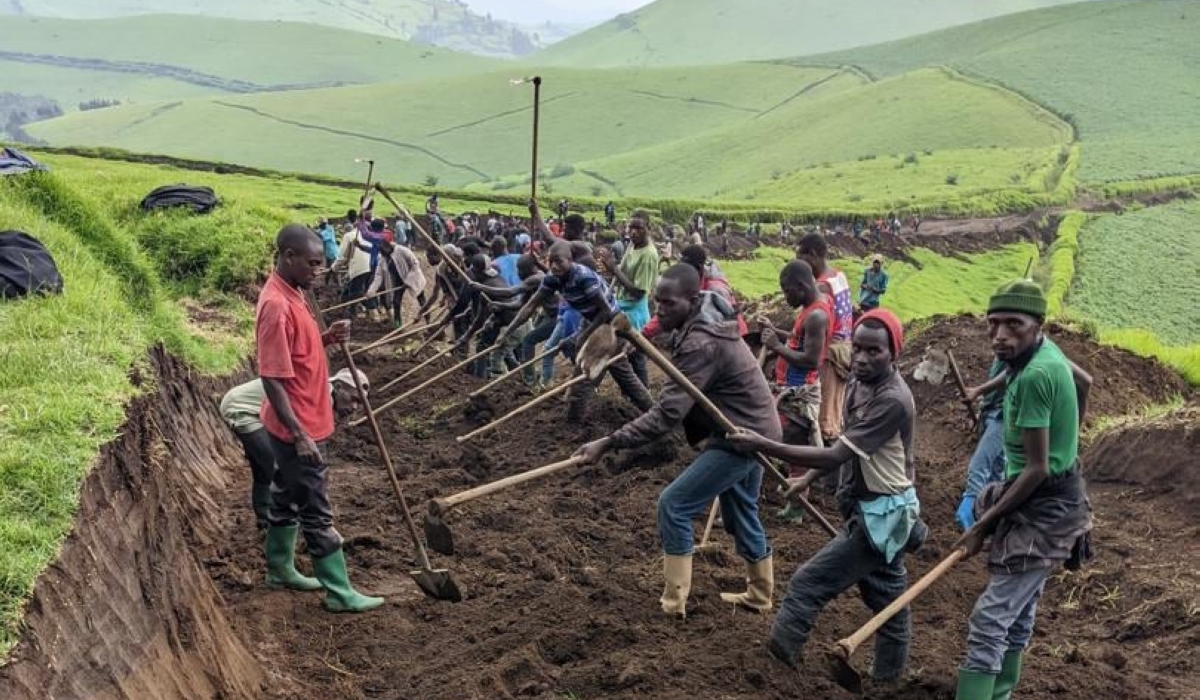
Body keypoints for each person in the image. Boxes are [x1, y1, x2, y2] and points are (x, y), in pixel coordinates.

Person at [728, 309, 924, 683]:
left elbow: (836, 454)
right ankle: (888, 681)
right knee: (888, 600)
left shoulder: (893, 400)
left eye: (875, 352)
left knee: (807, 584)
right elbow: (844, 448)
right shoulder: (857, 383)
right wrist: (807, 480)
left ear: (894, 354)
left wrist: (764, 444)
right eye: (859, 349)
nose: (863, 359)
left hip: (881, 515)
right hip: (868, 508)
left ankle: (777, 670)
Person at [575, 264, 780, 617]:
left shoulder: (702, 343)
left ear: (693, 299)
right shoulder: (701, 322)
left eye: (668, 304)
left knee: (674, 505)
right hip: (748, 428)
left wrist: (608, 442)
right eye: (657, 302)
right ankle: (760, 595)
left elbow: (667, 415)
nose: (660, 310)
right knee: (740, 513)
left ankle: (673, 604)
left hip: (743, 437)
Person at [953, 280, 1092, 700]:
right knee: (1020, 607)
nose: (1000, 336)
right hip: (1052, 490)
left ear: (1038, 324)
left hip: (1045, 504)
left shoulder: (1035, 376)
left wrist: (983, 526)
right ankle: (1000, 693)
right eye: (993, 325)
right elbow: (1084, 380)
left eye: (1013, 324)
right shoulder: (1046, 355)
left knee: (991, 617)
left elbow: (1034, 469)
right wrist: (1070, 442)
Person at [256, 224, 382, 613]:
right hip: (299, 425)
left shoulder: (294, 293)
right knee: (316, 507)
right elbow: (273, 377)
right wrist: (299, 435)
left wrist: (327, 338)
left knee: (285, 494)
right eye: (312, 263)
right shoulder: (277, 305)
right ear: (288, 257)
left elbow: (299, 353)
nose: (318, 271)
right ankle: (340, 592)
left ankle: (280, 569)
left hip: (303, 419)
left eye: (321, 264)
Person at [497, 241, 652, 420]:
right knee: (618, 374)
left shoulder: (583, 277)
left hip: (610, 325)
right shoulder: (552, 278)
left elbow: (605, 311)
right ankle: (651, 411)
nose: (554, 266)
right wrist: (508, 331)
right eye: (551, 261)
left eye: (559, 262)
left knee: (588, 375)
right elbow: (531, 306)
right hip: (591, 321)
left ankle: (575, 420)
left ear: (570, 260)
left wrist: (583, 336)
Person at [957, 349, 1092, 530]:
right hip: (995, 412)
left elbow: (1084, 382)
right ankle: (991, 517)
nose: (999, 334)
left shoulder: (1042, 361)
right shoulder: (1014, 349)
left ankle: (974, 513)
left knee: (983, 460)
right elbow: (1009, 373)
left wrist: (1070, 434)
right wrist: (981, 395)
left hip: (1008, 416)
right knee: (999, 466)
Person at [219, 369, 369, 530]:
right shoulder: (319, 394)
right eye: (353, 399)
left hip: (254, 408)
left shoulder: (325, 393)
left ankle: (265, 519)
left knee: (264, 467)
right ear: (338, 387)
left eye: (360, 403)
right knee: (275, 465)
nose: (354, 407)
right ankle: (279, 522)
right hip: (243, 408)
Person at [759, 260, 832, 522]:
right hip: (789, 388)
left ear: (801, 286)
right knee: (790, 445)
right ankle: (794, 502)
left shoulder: (817, 315)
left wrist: (776, 347)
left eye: (787, 290)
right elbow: (796, 339)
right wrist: (775, 333)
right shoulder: (809, 308)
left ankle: (797, 508)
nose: (785, 296)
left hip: (797, 393)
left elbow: (811, 360)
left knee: (793, 445)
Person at [798, 233, 854, 442]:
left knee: (822, 419)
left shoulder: (822, 287)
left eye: (800, 257)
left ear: (812, 255)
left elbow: (816, 328)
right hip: (844, 349)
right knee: (834, 410)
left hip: (829, 354)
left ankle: (823, 467)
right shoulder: (839, 276)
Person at [601, 213, 659, 386]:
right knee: (628, 359)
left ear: (648, 229)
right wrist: (611, 269)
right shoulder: (633, 246)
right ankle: (636, 395)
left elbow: (639, 293)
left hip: (634, 312)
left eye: (638, 228)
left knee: (635, 359)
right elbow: (623, 272)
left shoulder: (648, 255)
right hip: (623, 306)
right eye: (630, 228)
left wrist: (614, 270)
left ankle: (644, 398)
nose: (633, 232)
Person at [644, 245, 746, 338]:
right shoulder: (687, 281)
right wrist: (645, 332)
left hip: (732, 335)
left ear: (698, 268)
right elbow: (668, 309)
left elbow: (721, 327)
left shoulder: (715, 289)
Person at [367, 238, 427, 327]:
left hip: (413, 278)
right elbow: (378, 276)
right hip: (398, 281)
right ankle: (397, 325)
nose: (382, 254)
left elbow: (415, 264)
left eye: (383, 251)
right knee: (396, 302)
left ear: (388, 247)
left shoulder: (402, 250)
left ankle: (428, 320)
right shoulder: (383, 258)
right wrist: (371, 291)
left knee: (421, 300)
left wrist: (408, 281)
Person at [332, 223, 377, 320]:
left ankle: (354, 315)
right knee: (367, 291)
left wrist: (333, 269)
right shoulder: (367, 235)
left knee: (355, 293)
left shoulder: (348, 236)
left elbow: (342, 257)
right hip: (371, 267)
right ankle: (372, 314)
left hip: (359, 269)